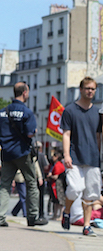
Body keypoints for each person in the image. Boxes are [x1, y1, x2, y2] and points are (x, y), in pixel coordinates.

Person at [0, 82, 47, 228]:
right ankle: (32, 216)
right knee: (31, 183)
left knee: (5, 185)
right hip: (23, 153)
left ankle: (1, 217)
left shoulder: (2, 112)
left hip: (7, 153)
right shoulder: (27, 112)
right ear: (25, 93)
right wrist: (33, 133)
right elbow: (30, 133)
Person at [60, 76, 102, 237]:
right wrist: (66, 155)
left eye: (93, 89)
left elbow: (98, 136)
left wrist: (98, 155)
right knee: (75, 189)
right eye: (88, 88)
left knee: (91, 193)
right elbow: (66, 134)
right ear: (81, 89)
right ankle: (67, 210)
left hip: (92, 158)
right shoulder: (70, 110)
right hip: (75, 156)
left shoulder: (97, 112)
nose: (90, 91)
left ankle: (86, 226)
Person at [47, 149, 66, 220]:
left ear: (57, 157)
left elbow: (56, 176)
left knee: (60, 201)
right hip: (54, 184)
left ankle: (60, 216)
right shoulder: (53, 164)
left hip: (58, 185)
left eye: (53, 156)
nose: (52, 158)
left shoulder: (58, 165)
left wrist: (50, 176)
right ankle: (55, 215)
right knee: (55, 201)